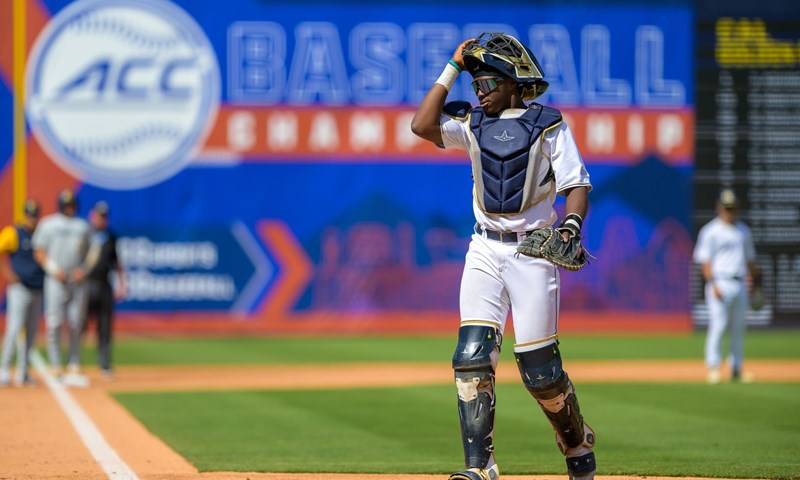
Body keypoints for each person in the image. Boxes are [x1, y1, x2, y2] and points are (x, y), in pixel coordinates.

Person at [411, 33, 596, 480]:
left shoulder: (548, 125)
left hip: (533, 250)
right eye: (475, 84)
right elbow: (421, 125)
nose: (479, 91)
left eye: (488, 81)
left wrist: (570, 225)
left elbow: (576, 184)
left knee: (541, 372)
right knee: (471, 356)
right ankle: (481, 467)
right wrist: (453, 66)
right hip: (484, 248)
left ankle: (576, 442)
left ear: (514, 81)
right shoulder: (472, 125)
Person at [693, 188, 760, 384]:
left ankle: (736, 368)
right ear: (719, 208)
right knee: (719, 325)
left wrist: (757, 284)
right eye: (726, 208)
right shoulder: (710, 231)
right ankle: (713, 367)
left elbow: (750, 261)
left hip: (740, 282)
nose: (730, 212)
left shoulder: (743, 231)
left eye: (733, 208)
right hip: (720, 281)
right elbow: (704, 261)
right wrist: (712, 283)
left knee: (739, 328)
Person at [32, 189, 91, 385]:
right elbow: (39, 250)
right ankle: (55, 363)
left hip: (77, 278)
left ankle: (74, 361)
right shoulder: (49, 224)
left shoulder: (82, 226)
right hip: (56, 278)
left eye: (72, 204)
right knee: (54, 322)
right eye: (66, 205)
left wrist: (84, 269)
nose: (69, 208)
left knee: (75, 322)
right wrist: (52, 268)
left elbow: (92, 251)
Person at [0, 200, 44, 386]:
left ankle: (23, 371)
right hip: (20, 289)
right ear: (25, 215)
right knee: (14, 329)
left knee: (31, 332)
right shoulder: (14, 233)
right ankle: (4, 368)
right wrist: (8, 274)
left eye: (35, 215)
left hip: (37, 289)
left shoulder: (41, 235)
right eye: (29, 215)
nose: (32, 218)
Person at [83, 201, 126, 379]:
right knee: (79, 323)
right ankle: (73, 362)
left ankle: (104, 363)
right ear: (92, 215)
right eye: (99, 215)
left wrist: (122, 283)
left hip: (104, 284)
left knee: (105, 325)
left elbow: (116, 262)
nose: (102, 219)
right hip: (86, 283)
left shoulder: (110, 236)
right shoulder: (85, 234)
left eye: (105, 216)